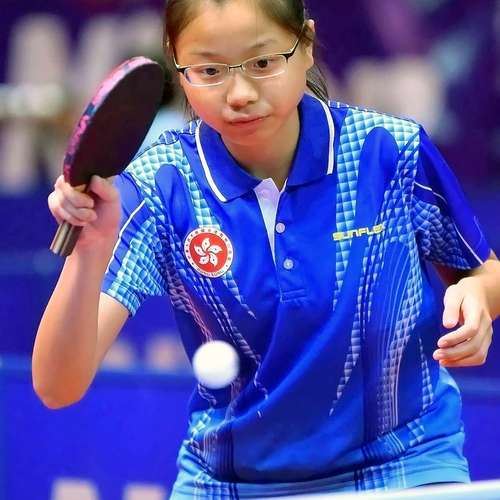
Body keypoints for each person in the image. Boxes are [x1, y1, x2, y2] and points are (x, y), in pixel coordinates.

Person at [33, 0, 500, 497]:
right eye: (210, 70)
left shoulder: (388, 151)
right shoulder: (162, 184)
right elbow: (58, 386)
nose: (240, 94)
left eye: (262, 62)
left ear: (306, 45)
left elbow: (484, 274)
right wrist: (89, 253)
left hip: (401, 465)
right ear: (178, 64)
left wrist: (478, 298)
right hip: (231, 482)